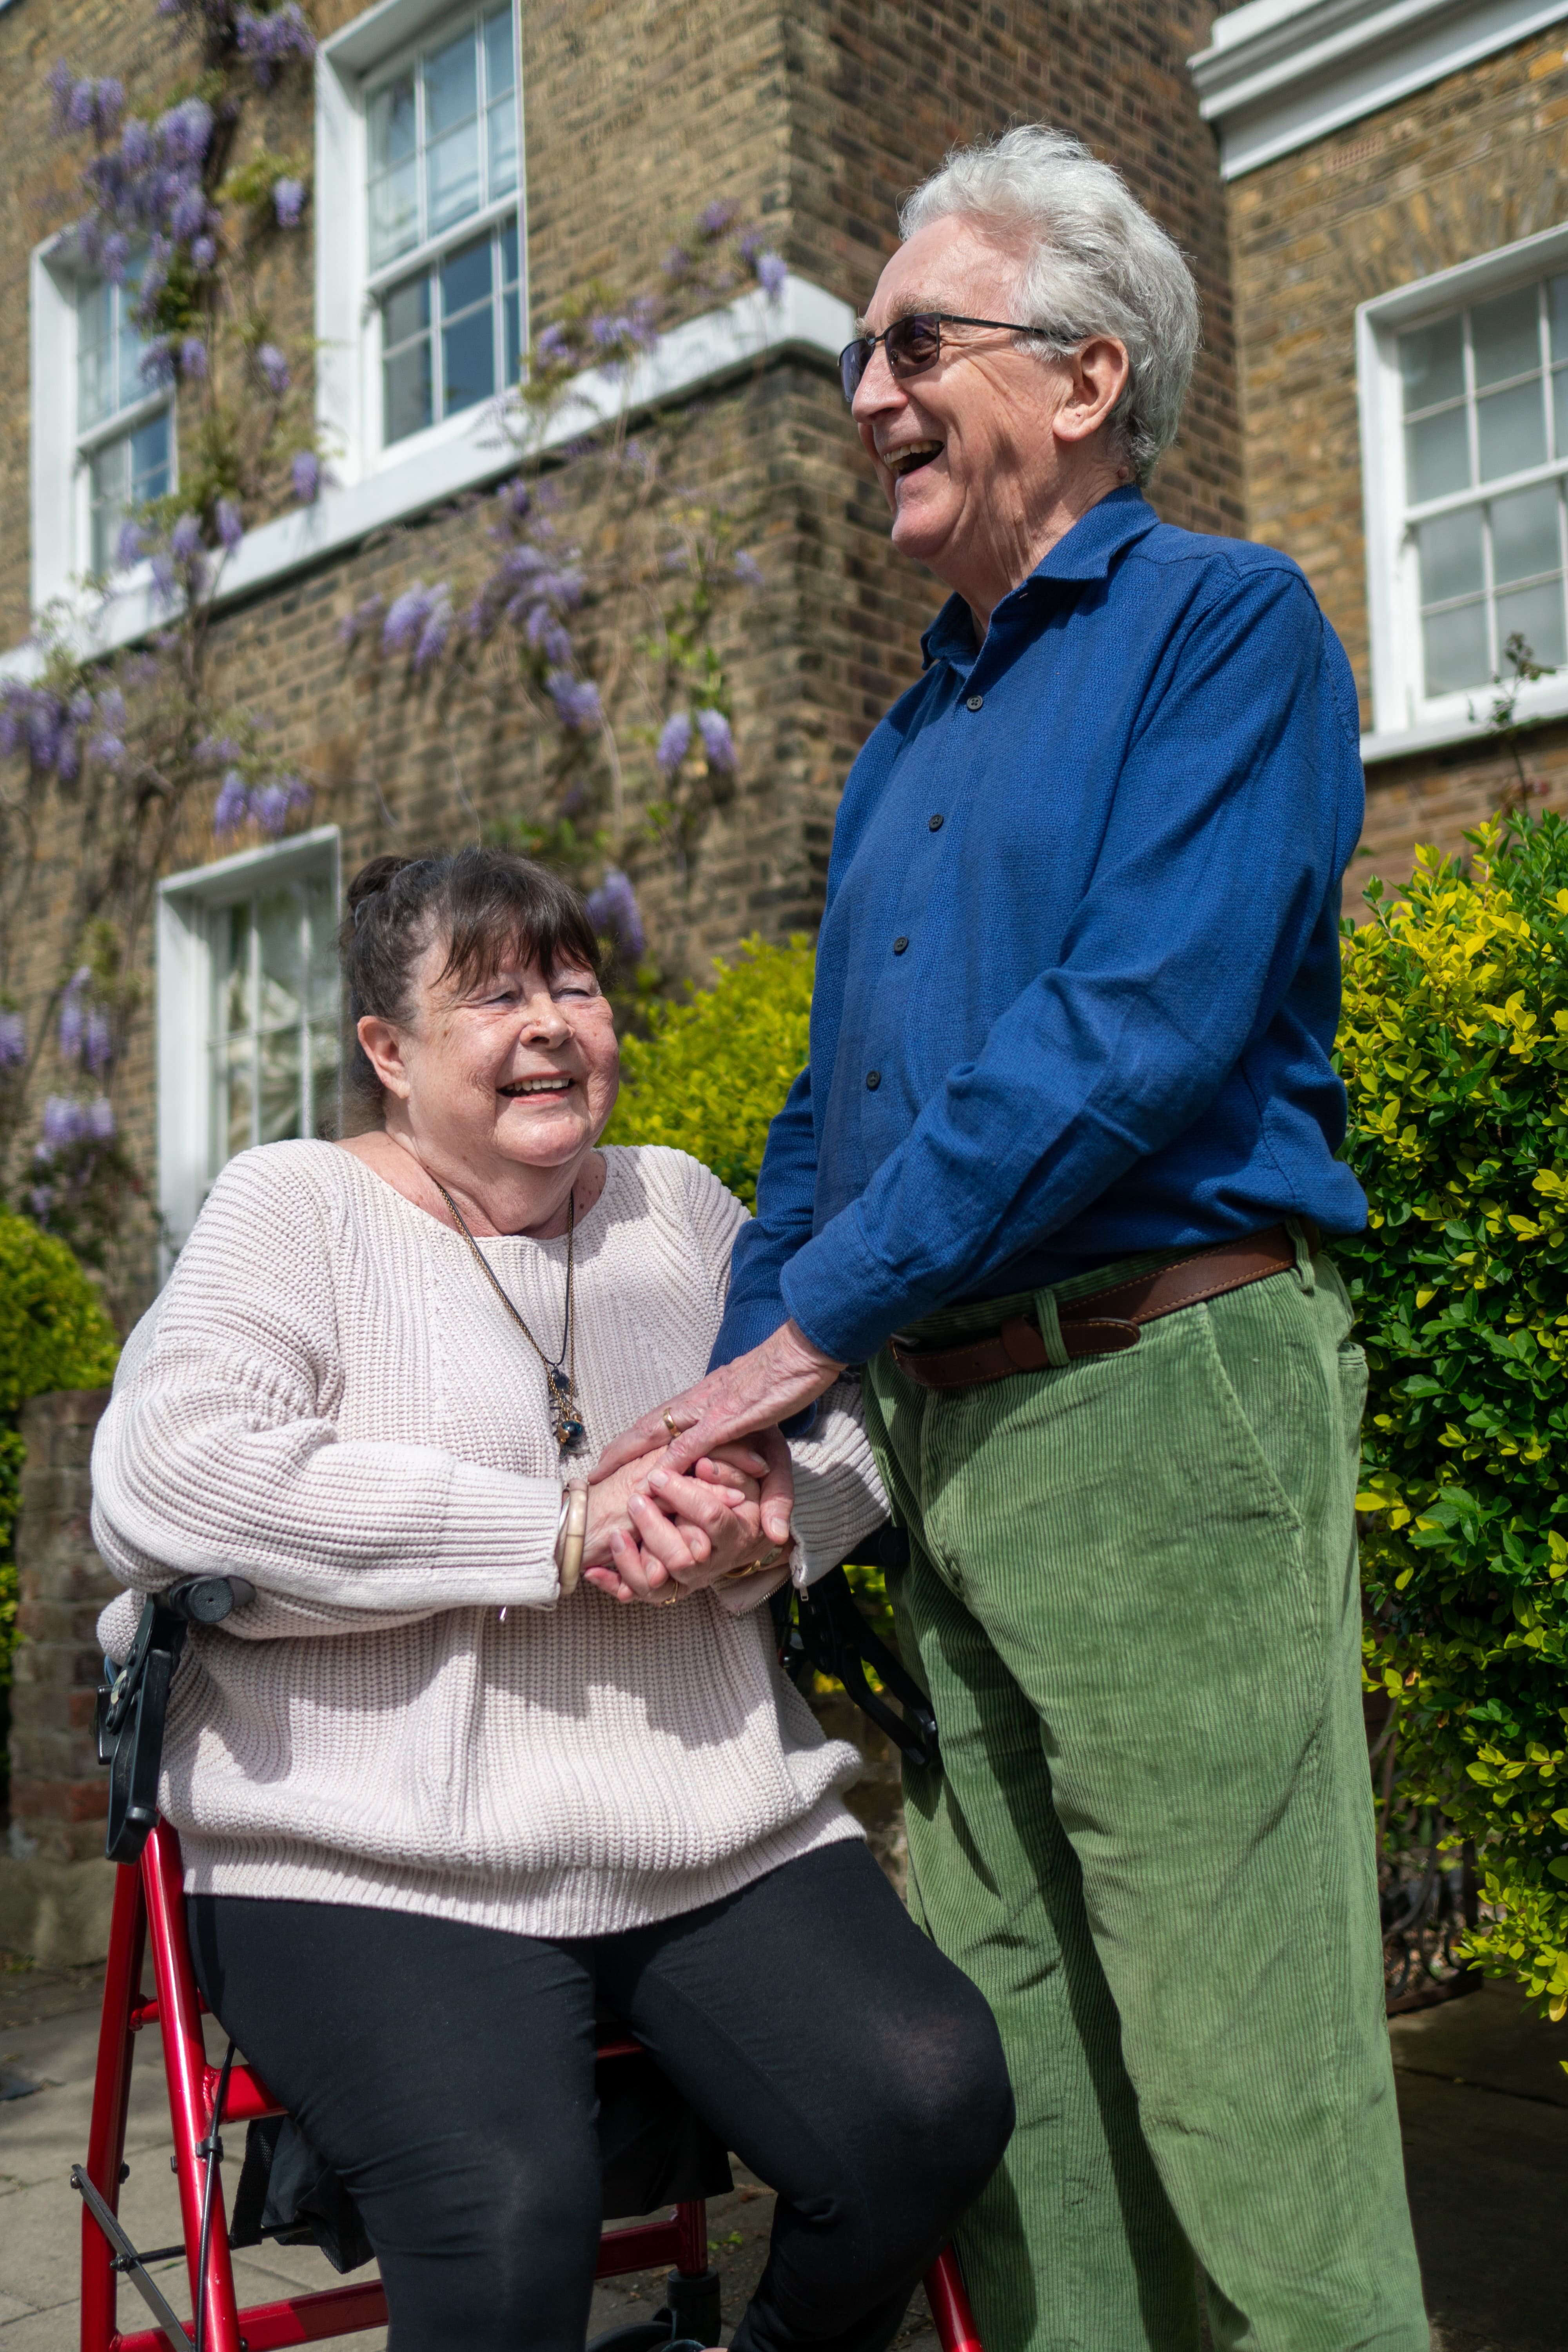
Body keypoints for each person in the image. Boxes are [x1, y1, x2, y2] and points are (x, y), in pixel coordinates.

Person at [594, 127, 1430, 2352]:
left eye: (909, 343)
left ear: (1079, 377)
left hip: (1161, 1400)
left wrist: (798, 1348)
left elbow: (1133, 1039)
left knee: (1249, 2080)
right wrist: (768, 1401)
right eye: (862, 352)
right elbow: (825, 1117)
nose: (864, 392)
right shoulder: (900, 743)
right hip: (949, 1442)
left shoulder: (1222, 629)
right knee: (1014, 2086)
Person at [90, 846, 1014, 2352]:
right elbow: (166, 1483)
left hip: (706, 1816)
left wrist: (772, 1528)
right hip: (368, 1848)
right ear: (386, 1054)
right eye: (495, 996)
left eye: (574, 985)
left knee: (929, 2101)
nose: (551, 1024)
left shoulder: (680, 1207)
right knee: (511, 2215)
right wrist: (555, 1527)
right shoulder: (295, 1210)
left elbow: (852, 1430)